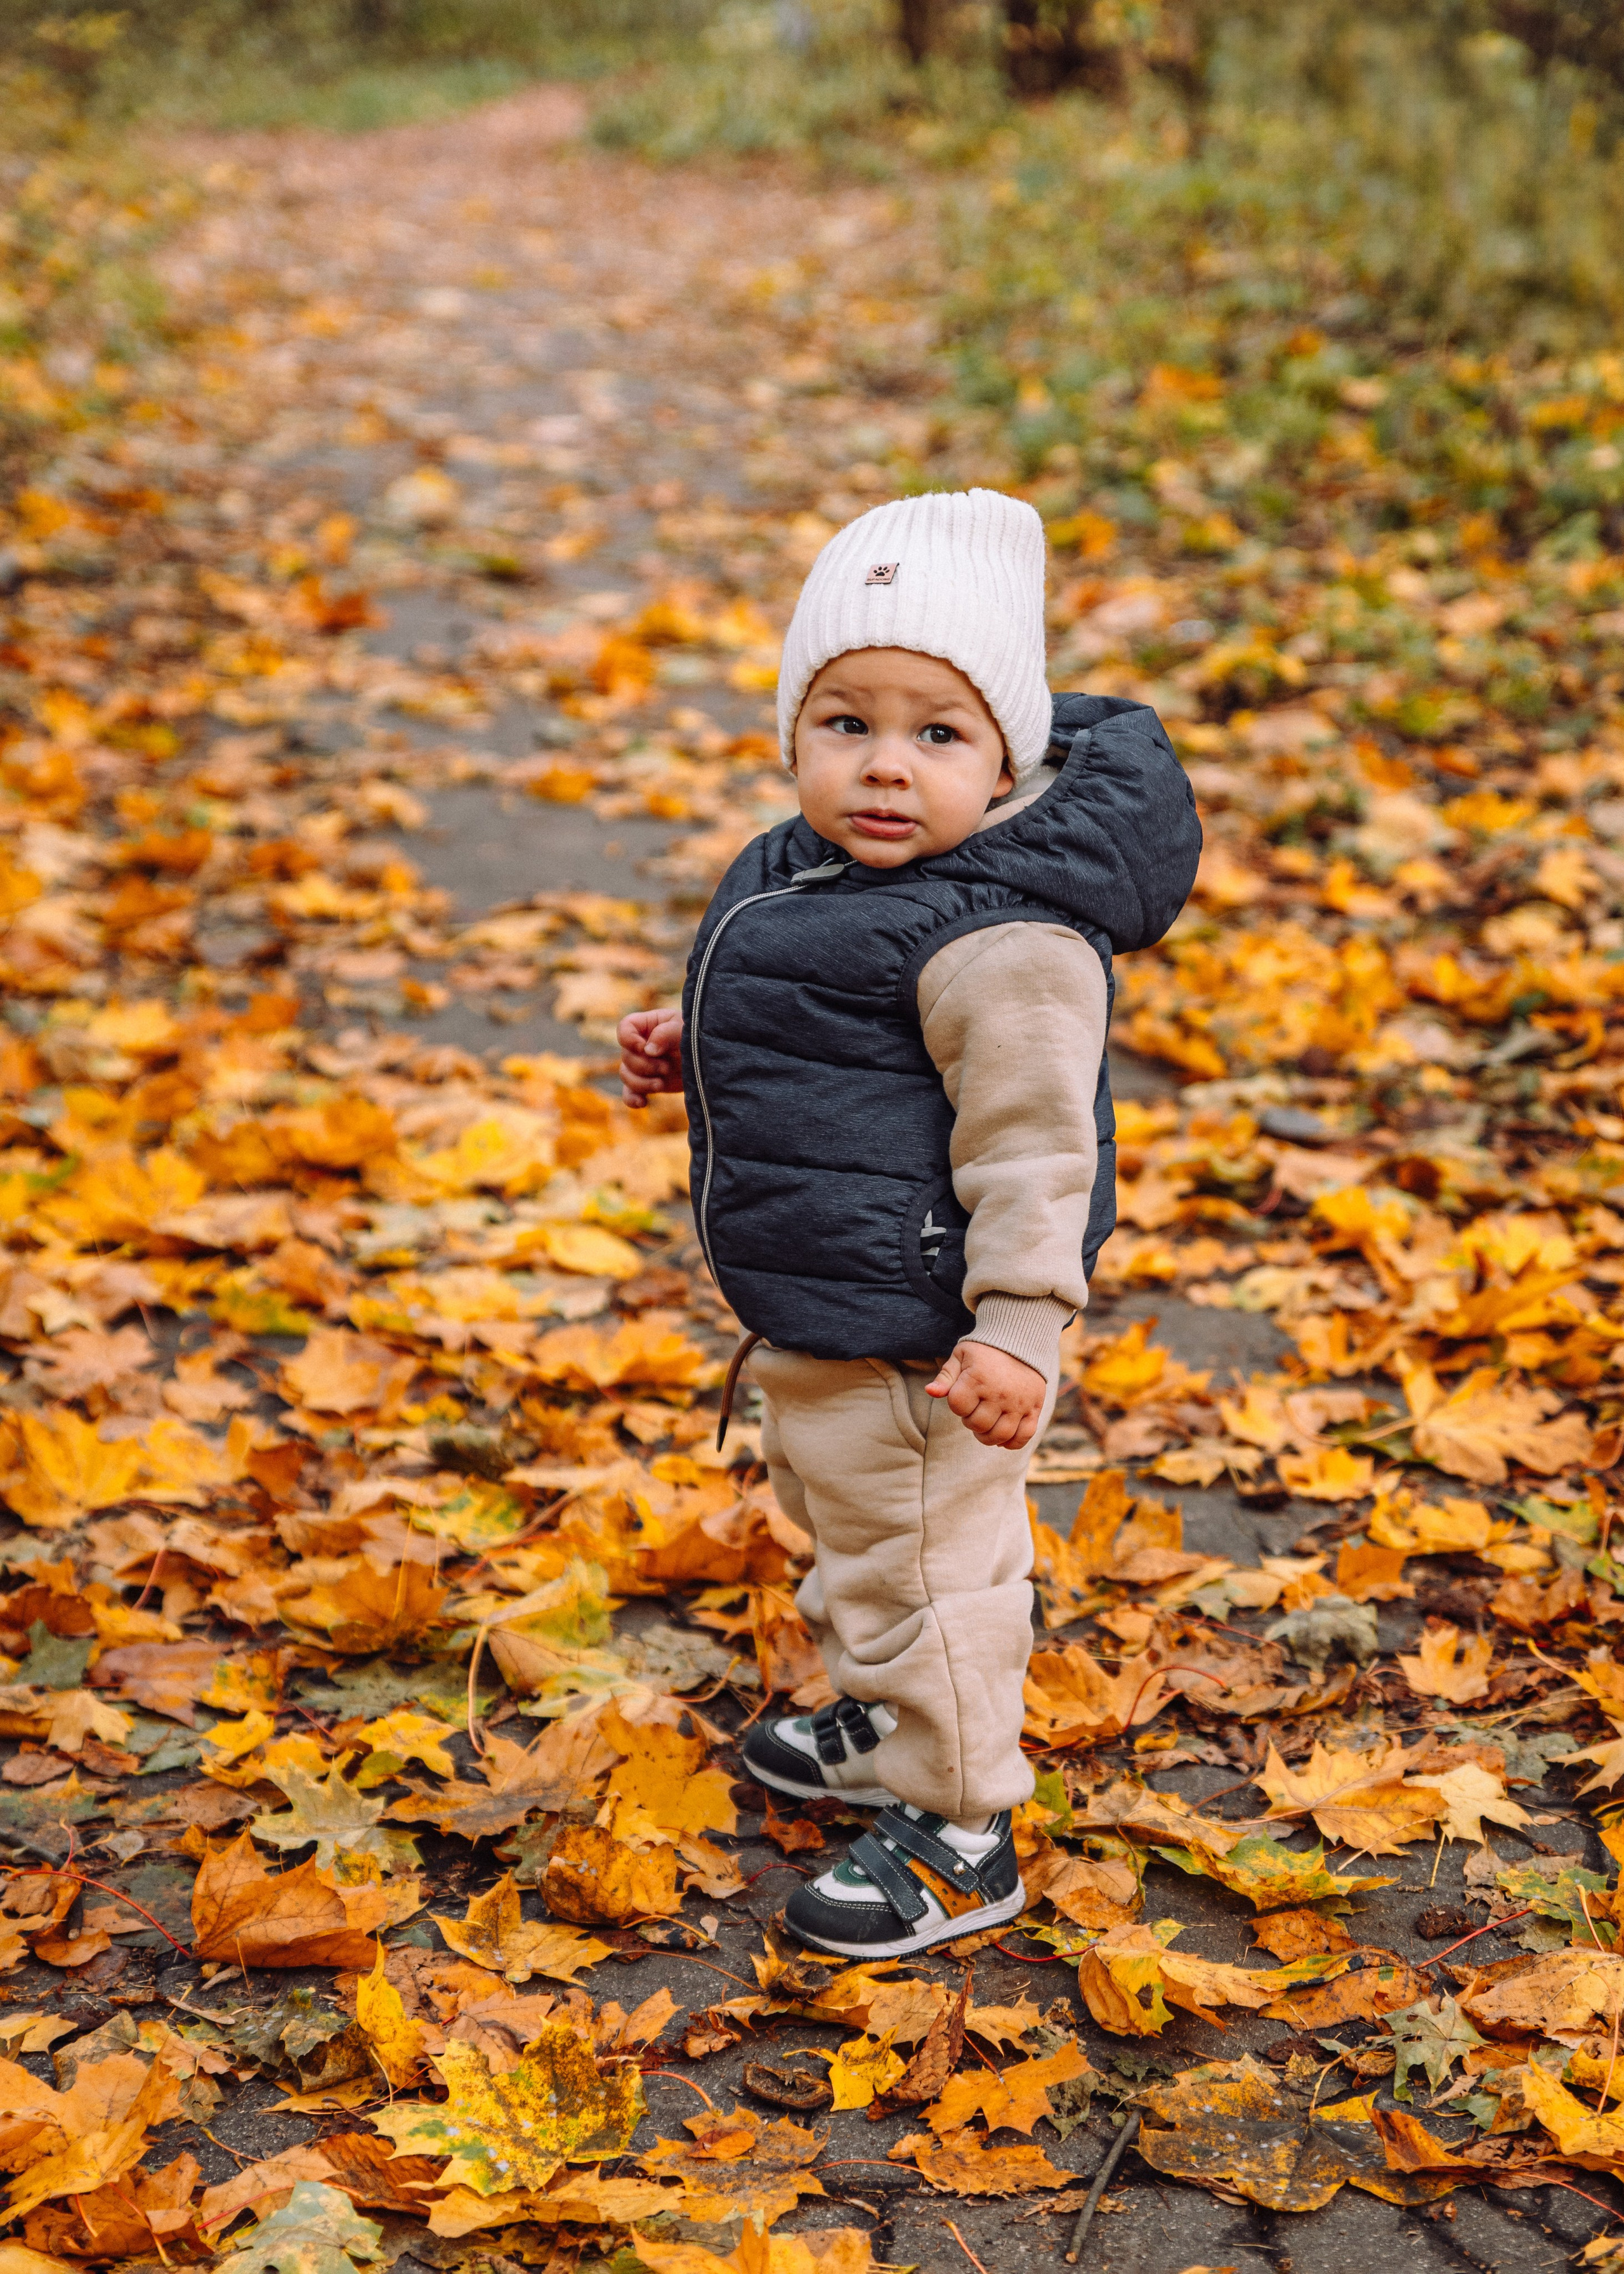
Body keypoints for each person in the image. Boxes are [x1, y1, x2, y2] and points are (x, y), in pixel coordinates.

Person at [617, 488, 1200, 1958]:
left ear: (1003, 759)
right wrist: (702, 1045)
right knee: (853, 1543)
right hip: (830, 1311)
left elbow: (1035, 1148)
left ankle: (957, 1823)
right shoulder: (816, 866)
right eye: (845, 722)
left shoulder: (1001, 937)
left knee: (928, 1578)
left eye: (935, 732)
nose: (884, 764)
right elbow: (835, 1036)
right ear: (791, 735)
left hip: (931, 1341)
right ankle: (886, 1723)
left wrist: (1018, 1328)